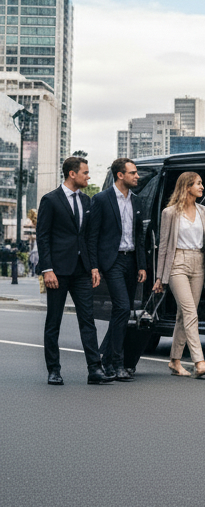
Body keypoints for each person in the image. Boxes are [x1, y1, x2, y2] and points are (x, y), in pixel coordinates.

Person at [36, 157, 112, 385]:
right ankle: (53, 370)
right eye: (85, 173)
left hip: (81, 270)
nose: (88, 176)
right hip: (57, 271)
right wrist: (47, 269)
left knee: (87, 320)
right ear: (72, 173)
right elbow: (43, 237)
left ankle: (94, 369)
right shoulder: (50, 200)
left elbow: (89, 237)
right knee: (54, 322)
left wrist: (94, 266)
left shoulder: (87, 201)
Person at [153, 171, 205, 378]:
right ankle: (199, 362)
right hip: (177, 264)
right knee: (191, 313)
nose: (202, 187)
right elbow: (163, 247)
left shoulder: (203, 211)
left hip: (199, 263)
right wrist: (159, 277)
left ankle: (175, 361)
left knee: (184, 315)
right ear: (187, 186)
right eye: (198, 183)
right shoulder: (170, 213)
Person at [87, 158, 147, 381]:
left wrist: (142, 265)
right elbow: (93, 235)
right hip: (112, 261)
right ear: (120, 175)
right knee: (122, 308)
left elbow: (139, 236)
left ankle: (107, 360)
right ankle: (117, 363)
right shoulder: (101, 199)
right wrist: (94, 266)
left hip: (131, 261)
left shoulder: (137, 201)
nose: (137, 176)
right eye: (133, 173)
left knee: (124, 310)